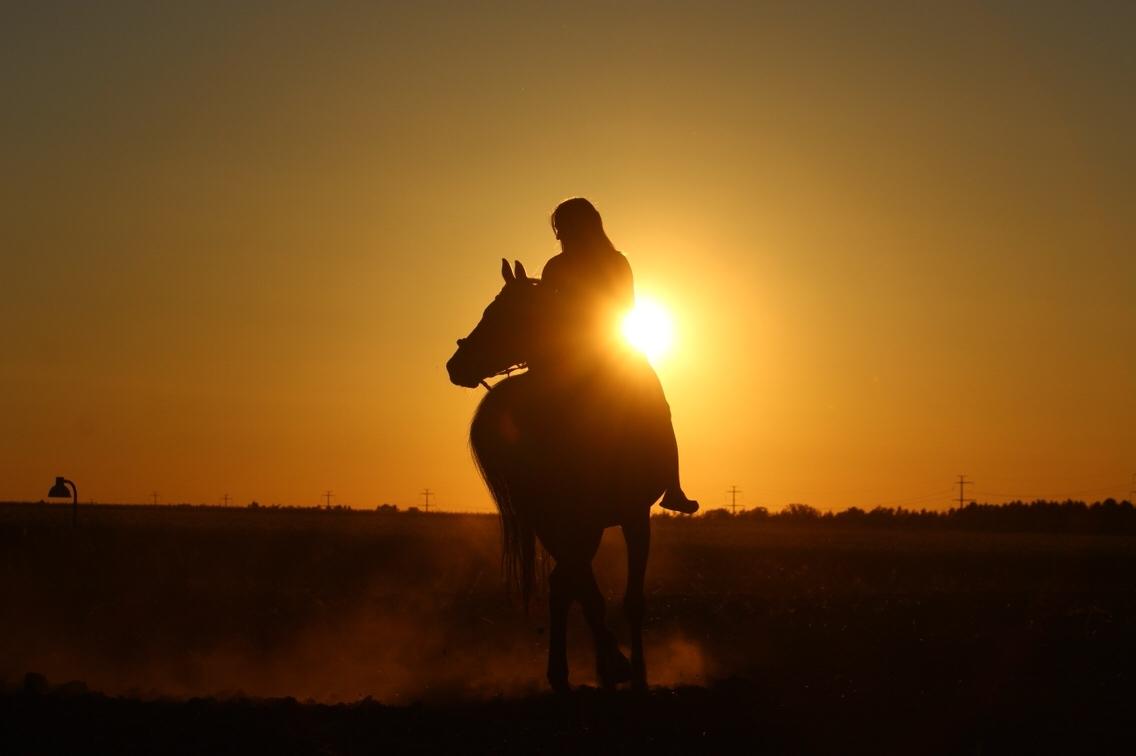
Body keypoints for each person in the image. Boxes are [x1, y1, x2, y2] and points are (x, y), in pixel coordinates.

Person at [539, 197, 699, 515]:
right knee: (659, 405)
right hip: (583, 353)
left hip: (608, 352)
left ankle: (672, 485)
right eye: (559, 230)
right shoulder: (567, 266)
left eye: (564, 229)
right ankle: (673, 486)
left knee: (657, 404)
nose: (560, 237)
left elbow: (623, 307)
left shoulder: (611, 264)